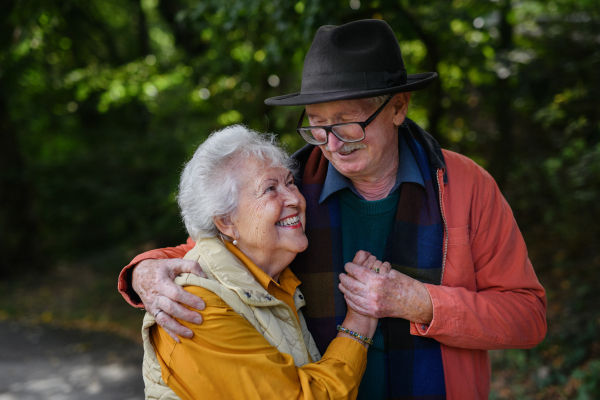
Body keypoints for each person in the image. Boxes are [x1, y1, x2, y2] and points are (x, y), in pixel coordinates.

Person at [119, 20, 547, 399]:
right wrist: (143, 270)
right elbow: (216, 249)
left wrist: (420, 303)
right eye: (317, 123)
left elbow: (527, 316)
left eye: (347, 120)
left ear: (398, 107)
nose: (333, 142)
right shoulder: (295, 182)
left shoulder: (465, 185)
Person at [142, 125, 386, 400]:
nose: (295, 198)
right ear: (226, 221)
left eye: (290, 182)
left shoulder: (277, 276)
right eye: (270, 189)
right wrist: (359, 324)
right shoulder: (193, 304)